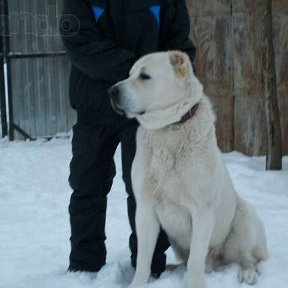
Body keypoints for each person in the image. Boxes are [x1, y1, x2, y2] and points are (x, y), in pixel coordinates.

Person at [60, 0, 196, 276]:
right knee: (87, 184)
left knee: (147, 189)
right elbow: (79, 42)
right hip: (93, 106)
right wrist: (141, 72)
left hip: (145, 110)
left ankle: (150, 266)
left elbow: (179, 45)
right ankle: (84, 266)